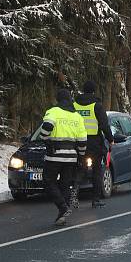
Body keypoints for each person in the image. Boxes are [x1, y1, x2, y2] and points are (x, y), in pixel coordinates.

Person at [39, 89, 88, 226]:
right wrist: (81, 156)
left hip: (55, 155)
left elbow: (46, 127)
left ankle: (62, 206)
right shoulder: (77, 117)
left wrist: (45, 138)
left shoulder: (54, 111)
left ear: (58, 99)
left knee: (48, 181)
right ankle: (62, 215)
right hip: (71, 156)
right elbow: (83, 140)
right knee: (65, 184)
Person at [73, 80, 114, 207]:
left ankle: (73, 195)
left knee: (79, 169)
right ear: (93, 91)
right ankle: (95, 200)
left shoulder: (74, 105)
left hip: (77, 142)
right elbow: (104, 125)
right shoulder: (97, 106)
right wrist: (110, 139)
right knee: (96, 170)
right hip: (94, 143)